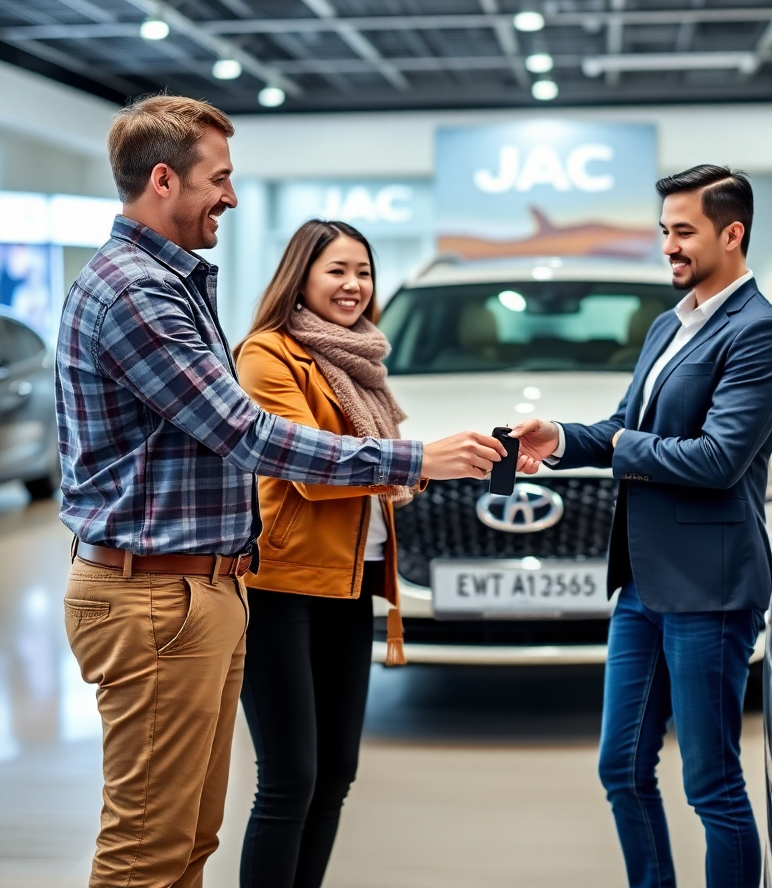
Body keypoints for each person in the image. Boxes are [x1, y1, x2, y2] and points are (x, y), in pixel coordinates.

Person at [57, 94, 505, 888]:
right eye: (219, 179)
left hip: (199, 589)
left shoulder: (172, 282)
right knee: (146, 853)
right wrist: (410, 461)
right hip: (158, 595)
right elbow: (251, 436)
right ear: (164, 180)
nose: (230, 196)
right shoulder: (138, 292)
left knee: (190, 842)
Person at [513, 165, 772, 888]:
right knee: (622, 767)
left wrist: (613, 448)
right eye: (664, 231)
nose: (668, 246)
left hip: (708, 586)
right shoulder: (672, 323)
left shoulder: (760, 334)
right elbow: (626, 425)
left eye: (683, 232)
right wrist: (563, 437)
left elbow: (717, 459)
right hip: (642, 580)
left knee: (711, 783)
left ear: (732, 234)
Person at [233, 219, 411, 887]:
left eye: (362, 271)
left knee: (335, 772)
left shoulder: (361, 359)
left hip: (352, 577)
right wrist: (421, 462)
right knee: (289, 779)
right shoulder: (266, 355)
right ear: (300, 275)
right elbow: (307, 467)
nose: (354, 284)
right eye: (337, 270)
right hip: (280, 584)